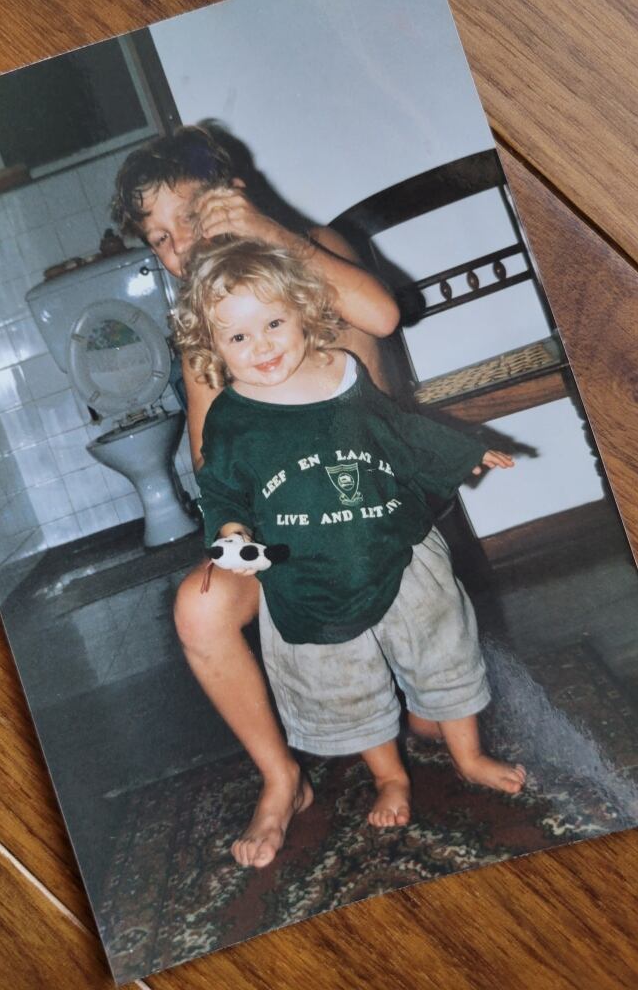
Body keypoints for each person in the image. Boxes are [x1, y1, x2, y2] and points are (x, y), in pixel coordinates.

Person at [113, 125, 413, 868]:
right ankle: (282, 779)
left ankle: (426, 700)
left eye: (190, 218)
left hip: (379, 507)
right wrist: (241, 536)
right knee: (200, 603)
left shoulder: (304, 248)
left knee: (435, 688)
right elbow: (213, 457)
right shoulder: (203, 323)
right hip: (289, 528)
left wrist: (266, 233)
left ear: (232, 200)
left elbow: (381, 316)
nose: (180, 246)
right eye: (159, 239)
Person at [174, 236, 526, 836]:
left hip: (401, 548)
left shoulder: (343, 373)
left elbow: (399, 430)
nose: (260, 347)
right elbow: (222, 488)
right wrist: (231, 533)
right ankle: (389, 774)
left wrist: (466, 450)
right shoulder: (233, 417)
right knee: (345, 680)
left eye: (273, 323)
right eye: (237, 338)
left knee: (443, 648)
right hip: (307, 574)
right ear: (212, 348)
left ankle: (468, 756)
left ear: (304, 310)